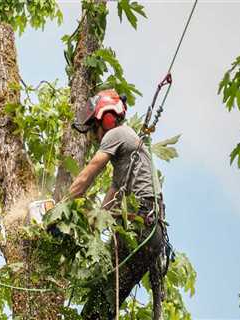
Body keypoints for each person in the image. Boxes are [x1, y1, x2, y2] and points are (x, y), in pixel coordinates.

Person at [69, 89, 166, 319]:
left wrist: (62, 208)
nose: (92, 136)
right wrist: (88, 227)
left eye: (93, 128)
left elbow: (87, 175)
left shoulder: (116, 134)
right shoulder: (127, 154)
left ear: (107, 118)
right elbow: (108, 204)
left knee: (98, 306)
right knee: (104, 304)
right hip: (150, 234)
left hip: (140, 226)